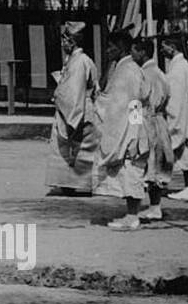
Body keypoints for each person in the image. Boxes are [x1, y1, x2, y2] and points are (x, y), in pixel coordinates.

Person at [94, 29, 151, 230]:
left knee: (132, 171)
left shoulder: (131, 70)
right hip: (122, 127)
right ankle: (130, 213)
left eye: (111, 47)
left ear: (122, 48)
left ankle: (133, 216)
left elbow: (135, 103)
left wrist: (134, 136)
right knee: (126, 172)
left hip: (132, 128)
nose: (108, 50)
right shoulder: (120, 68)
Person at [45, 21, 99, 195]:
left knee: (77, 148)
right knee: (75, 149)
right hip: (76, 106)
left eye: (65, 41)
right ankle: (69, 182)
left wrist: (63, 103)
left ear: (72, 42)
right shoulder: (75, 60)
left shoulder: (80, 62)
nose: (63, 45)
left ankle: (77, 183)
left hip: (78, 108)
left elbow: (74, 92)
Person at [134, 37, 174, 221]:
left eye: (134, 51)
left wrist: (133, 124)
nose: (132, 55)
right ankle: (154, 205)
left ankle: (153, 207)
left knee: (151, 161)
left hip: (148, 120)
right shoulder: (159, 72)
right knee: (156, 161)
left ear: (142, 52)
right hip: (159, 120)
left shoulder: (145, 74)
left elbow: (139, 100)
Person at [162, 36, 188, 201]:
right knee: (186, 152)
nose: (161, 50)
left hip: (182, 113)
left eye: (164, 46)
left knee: (187, 150)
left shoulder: (180, 68)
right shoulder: (180, 66)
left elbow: (177, 97)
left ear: (172, 47)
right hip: (185, 112)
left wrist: (173, 121)